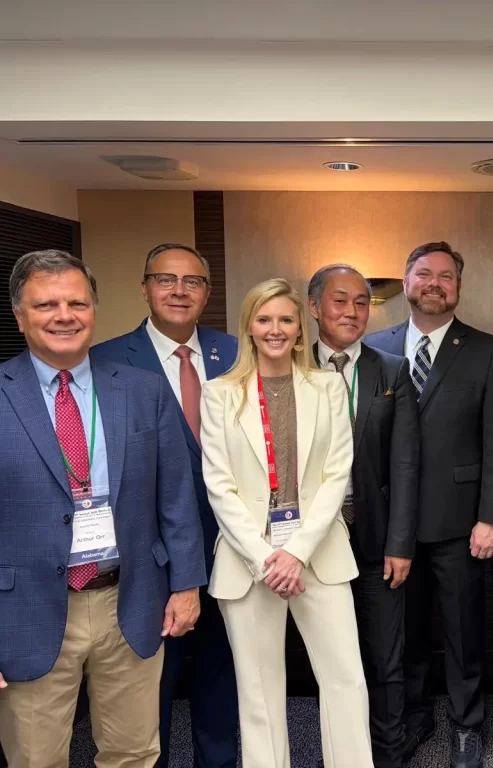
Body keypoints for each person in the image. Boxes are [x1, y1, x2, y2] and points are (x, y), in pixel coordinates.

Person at [0, 250, 206, 768]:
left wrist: (186, 585)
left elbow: (176, 495)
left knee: (134, 753)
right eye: (45, 305)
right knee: (36, 759)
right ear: (19, 316)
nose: (64, 316)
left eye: (77, 303)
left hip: (131, 599)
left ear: (94, 309)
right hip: (25, 611)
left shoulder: (141, 389)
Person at [200, 278, 371, 768]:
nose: (275, 329)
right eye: (264, 319)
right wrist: (266, 558)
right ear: (249, 327)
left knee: (346, 680)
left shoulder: (328, 387)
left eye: (285, 320)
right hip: (248, 559)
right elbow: (220, 486)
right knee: (258, 692)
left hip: (319, 554)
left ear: (300, 329)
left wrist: (295, 552)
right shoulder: (219, 394)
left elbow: (337, 473)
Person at [365, 241, 493, 768]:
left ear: (458, 288)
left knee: (462, 630)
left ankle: (466, 724)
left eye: (446, 276)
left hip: (460, 523)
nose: (435, 283)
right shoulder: (374, 348)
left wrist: (491, 517)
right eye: (424, 273)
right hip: (392, 525)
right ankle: (413, 715)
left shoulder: (487, 351)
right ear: (406, 280)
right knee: (403, 631)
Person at [92, 243, 239, 768]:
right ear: (145, 288)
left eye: (192, 281)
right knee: (148, 684)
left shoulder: (236, 351)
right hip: (149, 554)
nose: (179, 290)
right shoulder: (105, 360)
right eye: (165, 279)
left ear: (207, 292)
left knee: (223, 672)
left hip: (231, 544)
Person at [308, 264, 420, 768]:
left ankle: (389, 754)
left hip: (376, 538)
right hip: (312, 541)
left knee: (385, 658)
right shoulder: (291, 366)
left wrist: (400, 542)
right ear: (314, 307)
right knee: (333, 659)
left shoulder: (391, 369)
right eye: (340, 301)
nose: (352, 312)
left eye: (360, 302)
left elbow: (405, 463)